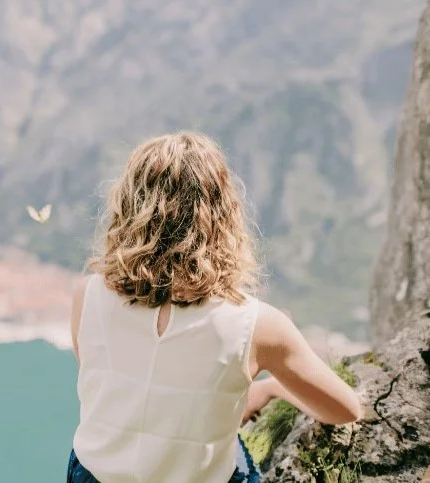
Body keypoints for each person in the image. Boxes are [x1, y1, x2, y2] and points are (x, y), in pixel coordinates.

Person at [67, 132, 362, 482]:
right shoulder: (256, 325)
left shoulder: (87, 296)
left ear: (130, 206)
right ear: (222, 214)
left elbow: (128, 393)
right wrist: (270, 388)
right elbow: (344, 409)